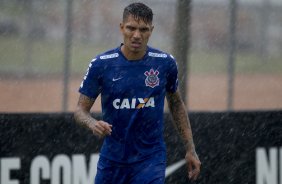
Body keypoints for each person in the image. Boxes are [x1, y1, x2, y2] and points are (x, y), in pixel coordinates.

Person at [74, 2, 201, 184]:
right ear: (121, 28)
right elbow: (80, 111)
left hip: (150, 159)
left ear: (151, 30)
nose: (136, 35)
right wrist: (92, 123)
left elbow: (176, 103)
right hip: (113, 160)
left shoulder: (165, 63)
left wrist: (190, 148)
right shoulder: (101, 64)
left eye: (143, 29)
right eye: (131, 28)